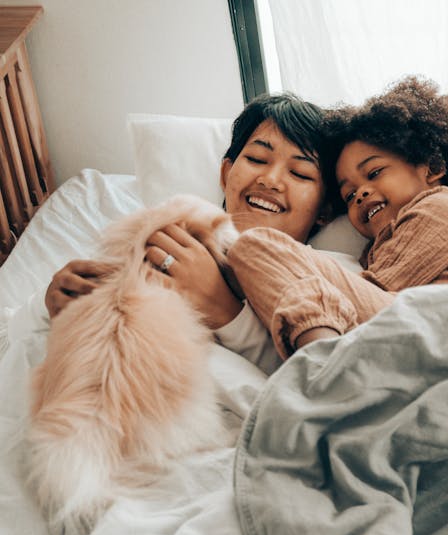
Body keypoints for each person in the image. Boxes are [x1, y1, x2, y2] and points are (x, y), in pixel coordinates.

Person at [43, 92, 342, 373]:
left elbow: (318, 381)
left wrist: (224, 310)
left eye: (300, 173)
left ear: (325, 210)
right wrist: (57, 307)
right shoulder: (164, 230)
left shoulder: (332, 280)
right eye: (257, 160)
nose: (271, 179)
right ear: (226, 174)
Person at [226, 76, 448, 359]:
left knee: (258, 247)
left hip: (421, 331)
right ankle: (326, 363)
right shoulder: (376, 248)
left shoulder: (441, 206)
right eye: (349, 195)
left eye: (374, 173)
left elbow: (376, 294)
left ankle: (326, 365)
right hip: (400, 334)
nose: (361, 194)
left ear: (432, 167)